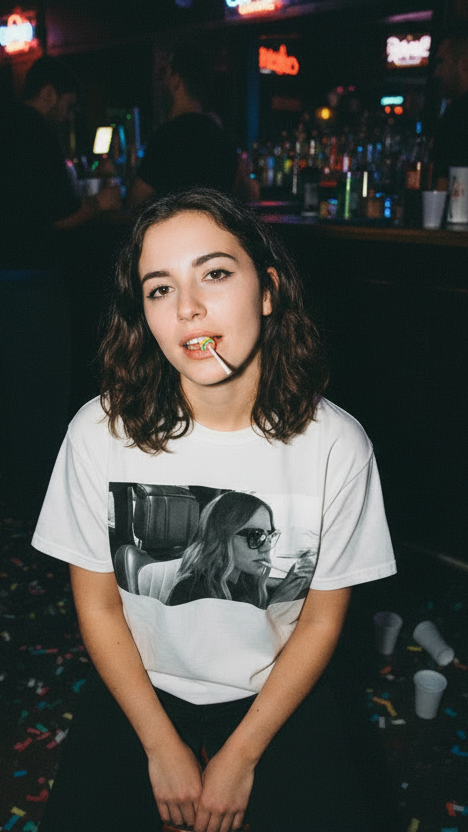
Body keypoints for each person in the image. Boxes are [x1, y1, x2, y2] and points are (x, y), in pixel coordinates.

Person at [32, 187, 397, 832]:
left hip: (275, 690)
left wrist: (241, 757)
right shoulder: (98, 432)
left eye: (216, 274)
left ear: (268, 290)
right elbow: (99, 608)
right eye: (160, 289)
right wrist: (160, 745)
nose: (189, 309)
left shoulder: (336, 444)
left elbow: (319, 622)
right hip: (141, 685)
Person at [0, 56, 120, 517]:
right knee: (43, 395)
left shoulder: (8, 125)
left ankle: (18, 498)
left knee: (15, 394)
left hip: (8, 278)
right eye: (68, 106)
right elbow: (60, 217)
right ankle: (40, 503)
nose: (68, 116)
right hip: (35, 282)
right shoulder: (36, 133)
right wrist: (100, 203)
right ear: (49, 92)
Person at [128, 42, 240, 207]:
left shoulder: (166, 138)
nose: (161, 84)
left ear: (175, 81)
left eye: (165, 76)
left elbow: (137, 201)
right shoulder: (224, 139)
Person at [432, 26, 468, 189]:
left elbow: (442, 185)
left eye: (442, 62)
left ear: (464, 64)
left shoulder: (455, 116)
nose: (437, 73)